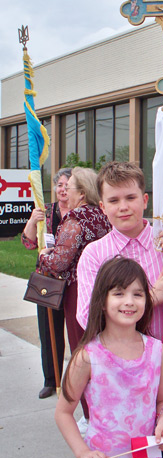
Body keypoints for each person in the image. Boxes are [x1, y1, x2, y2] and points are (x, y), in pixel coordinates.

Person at [55, 256, 163, 458]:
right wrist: (83, 452)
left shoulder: (158, 351)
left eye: (137, 294)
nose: (129, 301)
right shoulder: (87, 357)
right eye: (119, 293)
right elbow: (63, 413)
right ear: (102, 301)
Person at [77, 161, 163, 341]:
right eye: (114, 200)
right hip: (122, 361)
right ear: (103, 207)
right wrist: (150, 298)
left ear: (145, 200)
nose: (123, 207)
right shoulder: (94, 254)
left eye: (131, 198)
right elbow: (87, 317)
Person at [39, 167, 111, 426]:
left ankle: (92, 415)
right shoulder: (104, 216)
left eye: (69, 188)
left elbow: (59, 263)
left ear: (81, 193)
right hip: (107, 291)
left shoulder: (75, 220)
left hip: (79, 293)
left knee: (83, 352)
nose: (65, 191)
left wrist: (44, 256)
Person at [21, 167, 72, 399]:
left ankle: (77, 382)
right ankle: (51, 380)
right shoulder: (46, 211)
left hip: (74, 283)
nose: (63, 189)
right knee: (48, 333)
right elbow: (28, 243)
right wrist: (33, 220)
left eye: (68, 185)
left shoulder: (80, 213)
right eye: (60, 185)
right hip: (48, 282)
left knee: (76, 333)